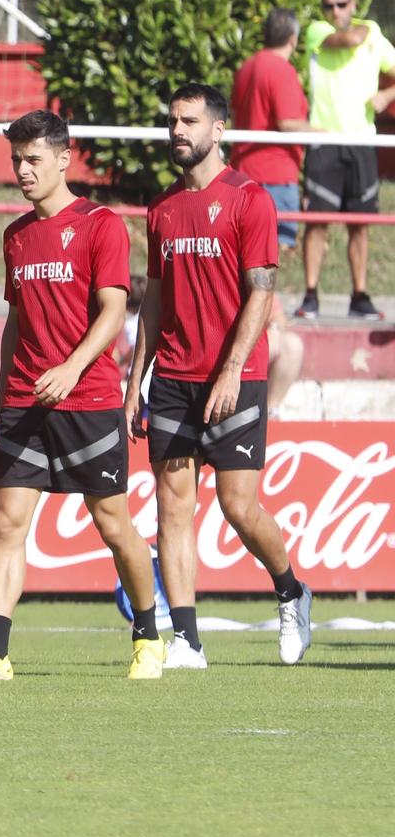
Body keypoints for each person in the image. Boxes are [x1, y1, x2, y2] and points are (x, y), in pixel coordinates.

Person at [0, 112, 163, 681]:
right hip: (24, 400)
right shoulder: (16, 235)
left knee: (113, 525)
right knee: (5, 524)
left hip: (87, 400)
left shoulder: (101, 224)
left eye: (33, 158)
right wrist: (3, 386)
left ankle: (149, 637)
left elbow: (115, 309)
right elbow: (15, 320)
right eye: (16, 158)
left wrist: (72, 367)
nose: (22, 169)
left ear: (64, 159)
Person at [124, 83, 312, 669]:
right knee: (172, 507)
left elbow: (262, 291)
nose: (177, 130)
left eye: (189, 121)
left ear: (218, 130)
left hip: (236, 375)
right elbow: (154, 301)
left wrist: (232, 368)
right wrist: (136, 381)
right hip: (173, 378)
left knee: (238, 506)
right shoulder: (160, 208)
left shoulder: (250, 199)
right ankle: (187, 639)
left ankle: (291, 592)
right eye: (172, 120)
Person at [297, 0, 395, 320]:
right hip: (324, 140)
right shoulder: (316, 31)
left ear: (353, 4)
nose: (336, 11)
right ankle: (310, 295)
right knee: (317, 222)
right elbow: (349, 38)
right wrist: (368, 29)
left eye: (341, 4)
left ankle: (360, 296)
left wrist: (387, 95)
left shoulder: (372, 34)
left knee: (360, 223)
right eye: (330, 6)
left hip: (362, 141)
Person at [231, 8, 312, 265]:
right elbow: (287, 122)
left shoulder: (246, 67)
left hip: (244, 171)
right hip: (274, 176)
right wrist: (328, 133)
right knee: (272, 258)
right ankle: (270, 307)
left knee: (246, 255)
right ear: (293, 38)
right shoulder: (281, 70)